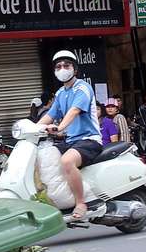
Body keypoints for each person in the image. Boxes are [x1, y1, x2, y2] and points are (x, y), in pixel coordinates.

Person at [37, 50, 103, 220]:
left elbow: (74, 111)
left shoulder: (82, 88)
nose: (62, 69)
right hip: (71, 141)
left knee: (67, 161)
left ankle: (81, 202)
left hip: (89, 139)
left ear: (75, 69)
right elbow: (50, 115)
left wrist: (60, 128)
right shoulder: (60, 93)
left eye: (66, 66)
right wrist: (33, 128)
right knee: (44, 157)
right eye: (58, 66)